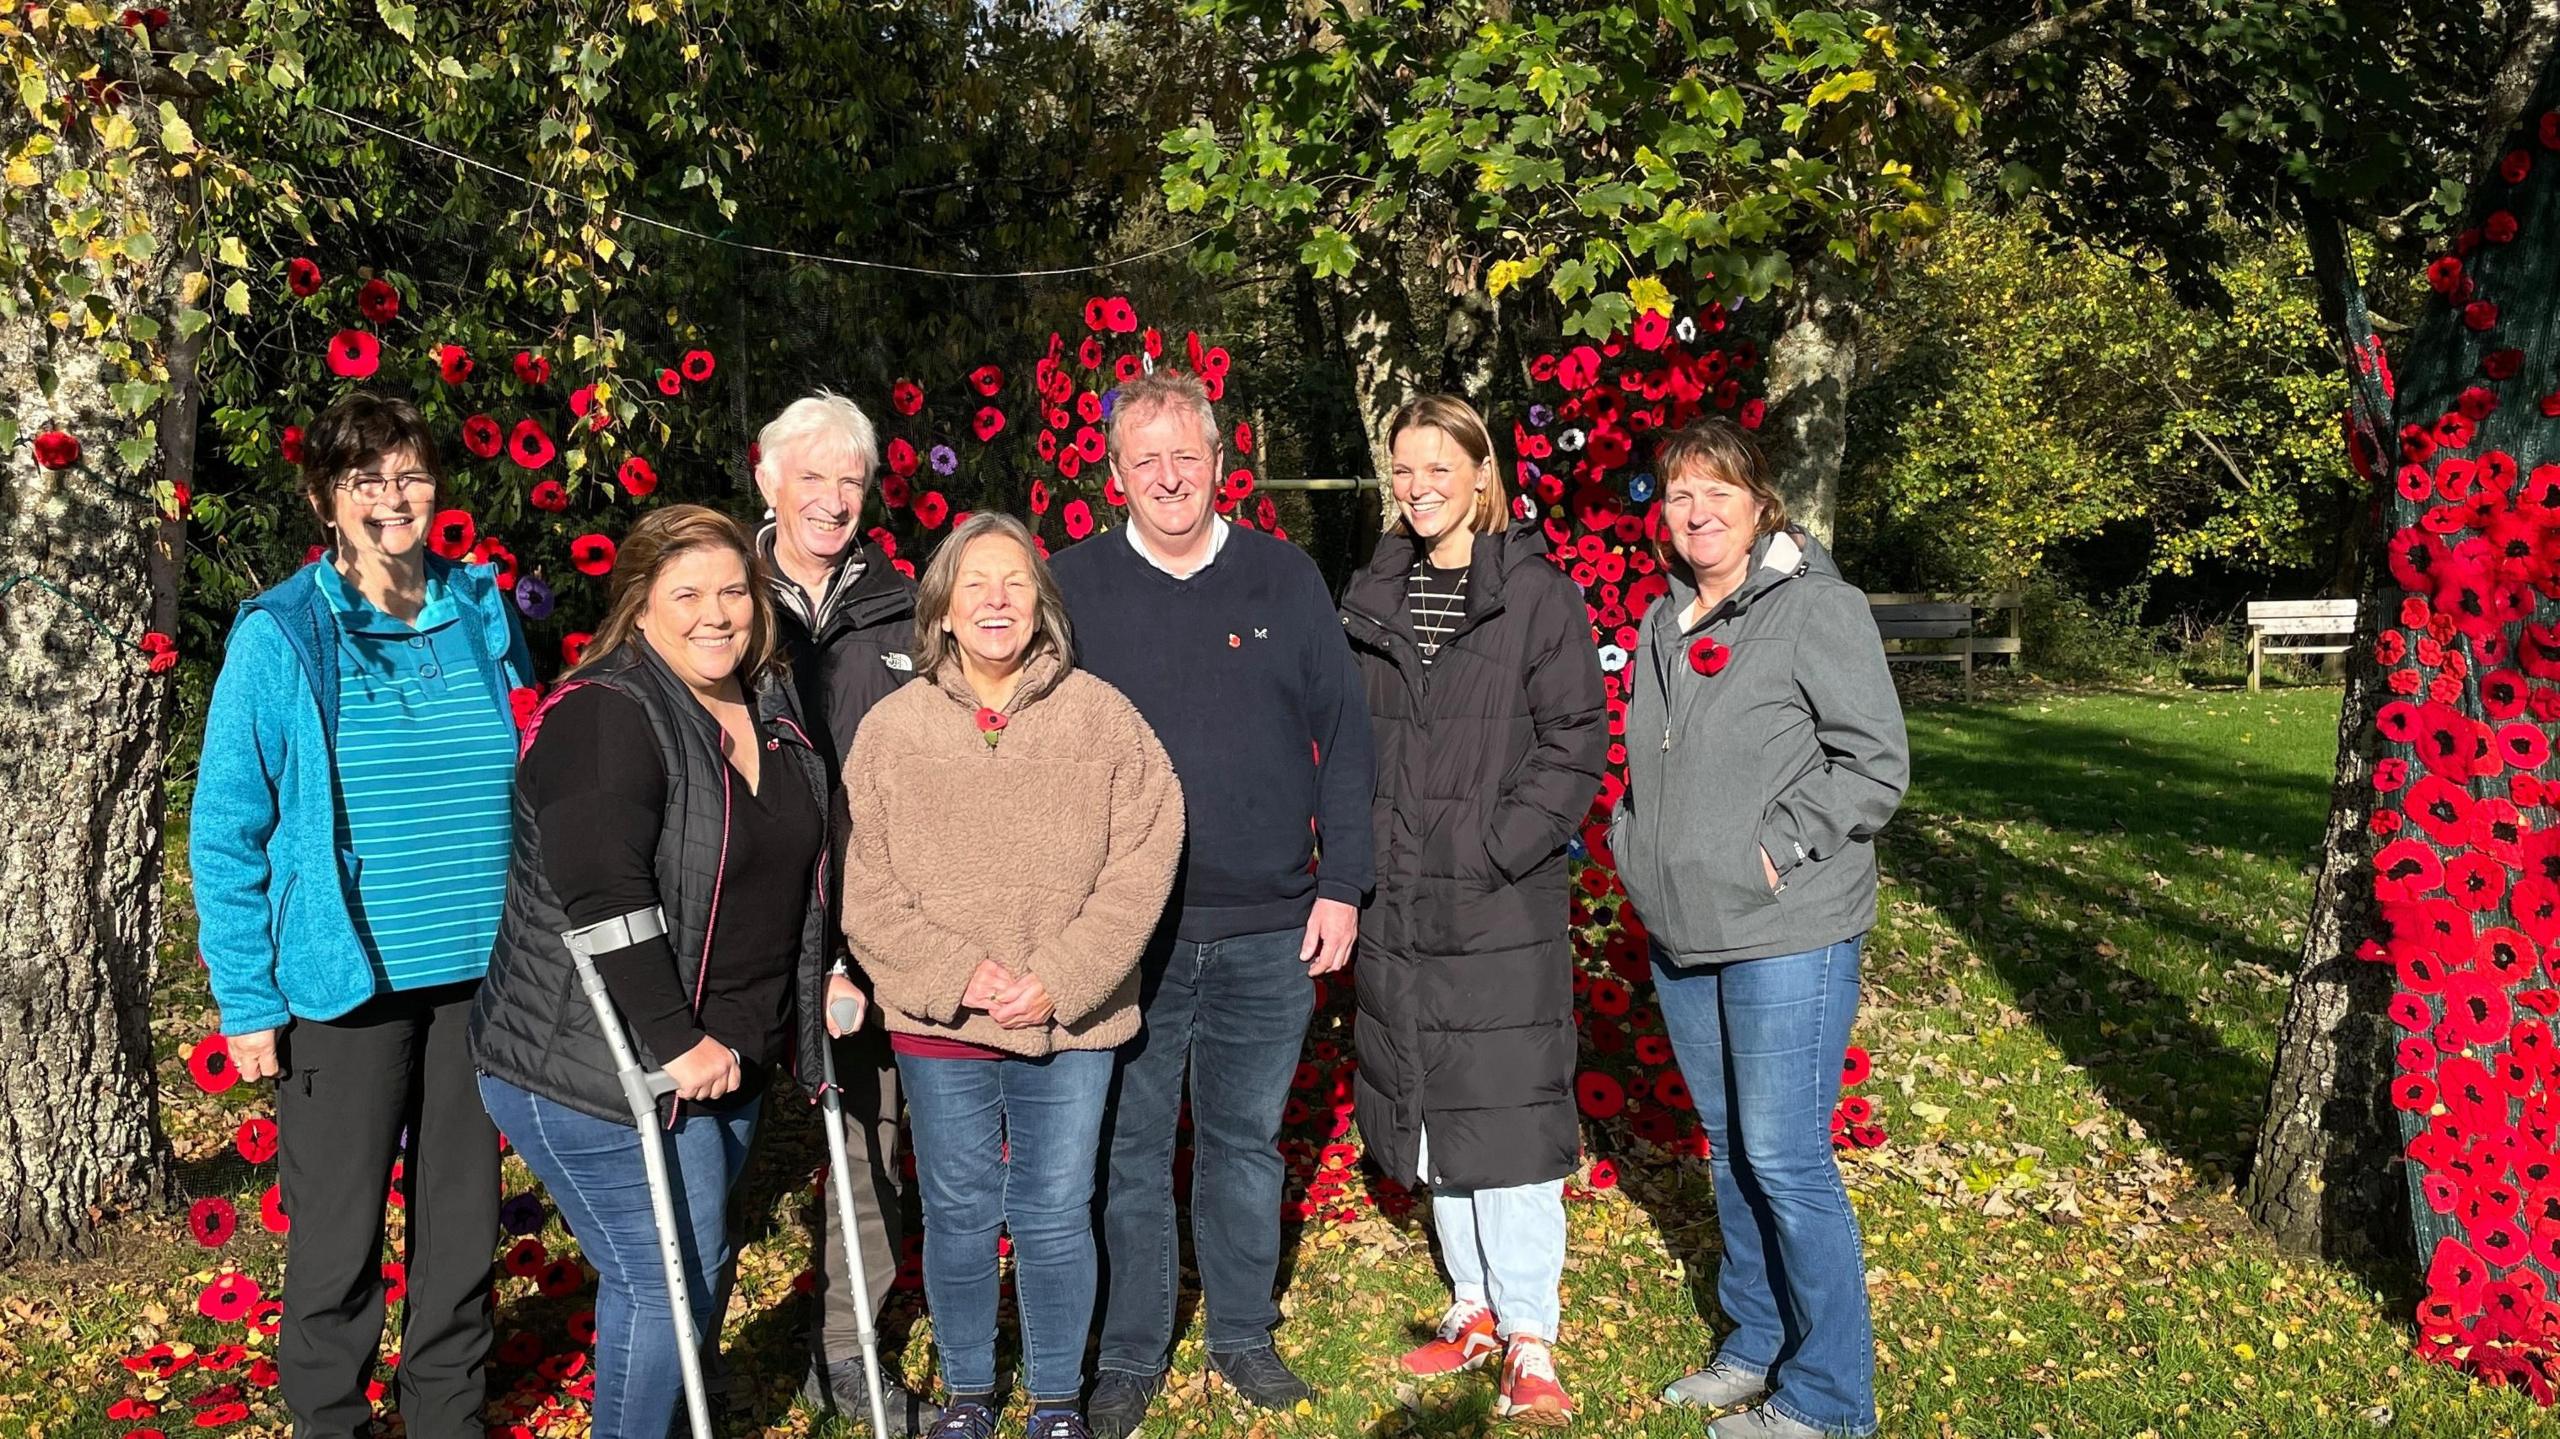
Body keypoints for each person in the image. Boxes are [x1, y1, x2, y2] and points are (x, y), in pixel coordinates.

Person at [192, 391, 533, 1439]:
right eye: (364, 479)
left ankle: (444, 1416)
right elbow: (226, 825)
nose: (393, 497)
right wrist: (246, 998)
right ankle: (331, 1420)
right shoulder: (285, 632)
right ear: (325, 499)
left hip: (483, 983)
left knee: (461, 1229)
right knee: (337, 1242)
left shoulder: (482, 610)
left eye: (411, 473)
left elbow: (530, 758)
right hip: (346, 988)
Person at [1051, 368, 1376, 1439]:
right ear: (1112, 474)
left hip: (1269, 926)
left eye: (1185, 454)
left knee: (1242, 1139)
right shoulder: (1073, 587)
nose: (1168, 476)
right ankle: (1130, 1352)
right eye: (1145, 459)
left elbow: (1348, 739)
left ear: (1220, 462)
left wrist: (1341, 884)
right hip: (1128, 934)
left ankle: (1243, 1331)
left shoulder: (1282, 579)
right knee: (1129, 1149)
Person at [470, 504, 834, 1439]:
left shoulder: (764, 700)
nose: (715, 614)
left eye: (732, 591)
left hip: (728, 1050)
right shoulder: (607, 714)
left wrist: (824, 972)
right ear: (639, 605)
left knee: (697, 1266)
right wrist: (676, 1038)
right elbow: (602, 895)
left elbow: (794, 862)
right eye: (687, 594)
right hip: (600, 1062)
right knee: (659, 1275)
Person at [841, 513, 1185, 1439]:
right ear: (943, 609)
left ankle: (1058, 1399)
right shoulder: (891, 730)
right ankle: (967, 1395)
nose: (997, 600)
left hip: (1067, 1023)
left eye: (1017, 582)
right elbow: (864, 888)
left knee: (1053, 1209)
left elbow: (1147, 853)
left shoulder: (1102, 716)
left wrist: (1062, 977)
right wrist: (960, 975)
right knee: (956, 1211)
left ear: (1043, 605)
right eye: (976, 583)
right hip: (940, 1022)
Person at [1607, 419, 1908, 1439]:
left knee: (1784, 1154)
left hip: (1788, 924)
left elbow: (1872, 763)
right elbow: (1650, 763)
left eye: (1717, 492)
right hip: (1686, 929)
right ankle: (1756, 1342)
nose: (1696, 510)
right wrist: (1634, 845)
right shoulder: (1661, 622)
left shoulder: (1816, 608)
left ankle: (1828, 1399)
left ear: (1758, 503)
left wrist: (1772, 848)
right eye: (1679, 493)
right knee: (1732, 1144)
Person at [1336, 394, 1607, 1426]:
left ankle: (1530, 1327)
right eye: (1402, 470)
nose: (1417, 487)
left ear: (1481, 473)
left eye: (1437, 467)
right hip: (1397, 897)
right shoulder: (1372, 594)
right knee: (1428, 1105)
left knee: (1507, 1103)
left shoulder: (1535, 596)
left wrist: (1493, 847)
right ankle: (1474, 1305)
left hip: (1496, 901)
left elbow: (1573, 740)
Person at [751, 391, 940, 1432]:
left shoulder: (903, 607)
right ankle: (679, 1350)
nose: (832, 498)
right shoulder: (719, 593)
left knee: (866, 1136)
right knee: (718, 1149)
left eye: (851, 480)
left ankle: (847, 1350)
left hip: (868, 914)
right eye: (812, 476)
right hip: (741, 911)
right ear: (767, 480)